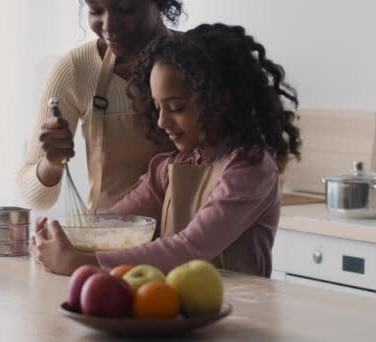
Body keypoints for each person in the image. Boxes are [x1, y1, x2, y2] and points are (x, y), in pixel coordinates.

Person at [29, 23, 302, 277]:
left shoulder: (250, 169)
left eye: (175, 108)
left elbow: (189, 249)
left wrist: (77, 262)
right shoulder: (168, 167)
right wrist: (62, 235)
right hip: (179, 312)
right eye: (158, 108)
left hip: (242, 317)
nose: (161, 122)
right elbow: (112, 224)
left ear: (219, 99)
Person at [17, 0, 184, 212]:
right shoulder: (76, 69)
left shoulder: (201, 62)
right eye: (95, 10)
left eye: (125, 8)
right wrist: (51, 164)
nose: (109, 26)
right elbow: (37, 200)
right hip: (110, 238)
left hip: (194, 237)